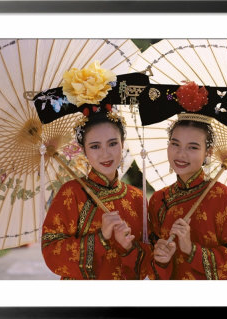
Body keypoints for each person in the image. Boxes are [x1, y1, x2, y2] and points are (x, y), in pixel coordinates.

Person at [33, 63, 153, 279]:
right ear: (83, 150)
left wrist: (129, 248)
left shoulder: (137, 198)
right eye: (95, 146)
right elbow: (51, 252)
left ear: (123, 143)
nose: (105, 154)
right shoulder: (71, 194)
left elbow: (148, 268)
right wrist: (102, 238)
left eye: (112, 143)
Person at [136, 81, 227, 279]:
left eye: (192, 147)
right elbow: (151, 267)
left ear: (208, 152)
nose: (181, 154)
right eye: (175, 144)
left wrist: (191, 250)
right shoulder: (158, 200)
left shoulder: (223, 198)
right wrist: (161, 260)